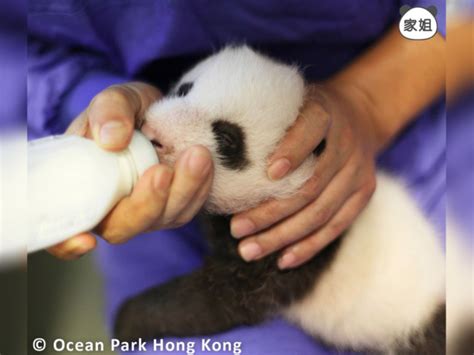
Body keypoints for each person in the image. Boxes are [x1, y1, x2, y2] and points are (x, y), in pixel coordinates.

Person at [29, 1, 446, 353]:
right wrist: (97, 118)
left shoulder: (291, 221)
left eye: (225, 139)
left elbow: (229, 297)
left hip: (416, 132)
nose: (162, 125)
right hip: (155, 221)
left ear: (299, 166)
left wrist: (368, 101)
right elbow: (25, 49)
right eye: (184, 91)